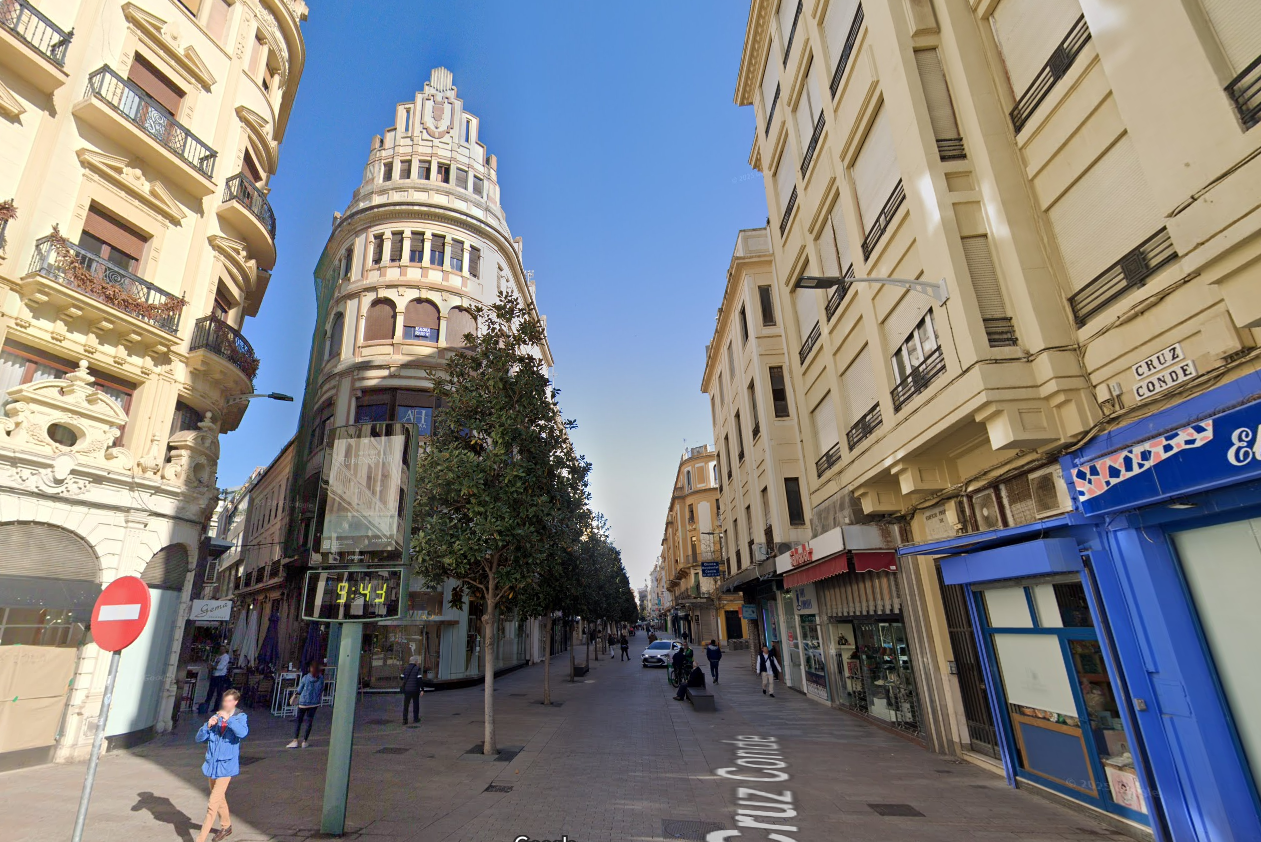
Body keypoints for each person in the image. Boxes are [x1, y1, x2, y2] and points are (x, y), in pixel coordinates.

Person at [195, 688, 248, 842]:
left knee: (213, 803)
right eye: (225, 700)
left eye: (230, 701)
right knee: (219, 798)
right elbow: (199, 738)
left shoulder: (240, 717)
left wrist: (228, 720)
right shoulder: (216, 717)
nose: (226, 704)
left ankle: (201, 838)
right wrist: (207, 726)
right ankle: (226, 826)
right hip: (212, 765)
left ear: (235, 702)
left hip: (226, 766)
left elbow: (243, 733)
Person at [286, 663, 323, 748]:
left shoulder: (306, 678)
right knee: (309, 721)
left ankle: (295, 740)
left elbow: (299, 690)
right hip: (314, 703)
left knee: (299, 721)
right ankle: (305, 741)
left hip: (303, 702)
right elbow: (321, 689)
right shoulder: (321, 678)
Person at [202, 648, 230, 714]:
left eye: (222, 649)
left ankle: (216, 707)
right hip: (214, 675)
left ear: (225, 650)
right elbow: (214, 663)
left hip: (220, 676)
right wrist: (211, 666)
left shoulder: (226, 657)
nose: (220, 650)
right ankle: (206, 705)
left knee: (219, 692)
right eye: (220, 649)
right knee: (210, 691)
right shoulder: (218, 657)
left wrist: (212, 666)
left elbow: (221, 667)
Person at [400, 655, 425, 725]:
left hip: (407, 690)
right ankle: (415, 719)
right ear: (415, 662)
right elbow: (420, 680)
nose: (417, 662)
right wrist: (422, 689)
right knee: (416, 704)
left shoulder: (406, 668)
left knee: (406, 705)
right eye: (417, 661)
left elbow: (401, 677)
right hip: (415, 690)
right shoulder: (417, 669)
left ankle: (405, 720)